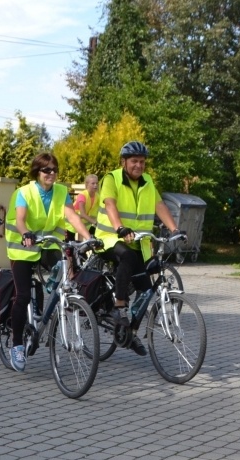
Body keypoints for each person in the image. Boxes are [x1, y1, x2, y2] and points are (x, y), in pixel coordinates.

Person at [3, 153, 92, 372]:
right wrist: (25, 233)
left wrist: (89, 238)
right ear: (37, 172)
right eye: (46, 170)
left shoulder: (61, 192)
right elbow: (21, 219)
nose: (51, 173)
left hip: (48, 244)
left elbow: (72, 217)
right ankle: (16, 345)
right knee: (22, 296)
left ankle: (54, 293)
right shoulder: (24, 192)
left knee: (64, 266)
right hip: (22, 248)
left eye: (54, 169)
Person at [96, 141, 182, 355]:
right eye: (134, 161)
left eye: (142, 162)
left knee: (145, 290)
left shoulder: (148, 182)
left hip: (139, 243)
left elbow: (159, 205)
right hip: (110, 238)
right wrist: (120, 228)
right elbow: (110, 204)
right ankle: (119, 305)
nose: (139, 165)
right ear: (124, 162)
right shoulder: (111, 178)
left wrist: (174, 229)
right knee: (127, 257)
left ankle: (130, 333)